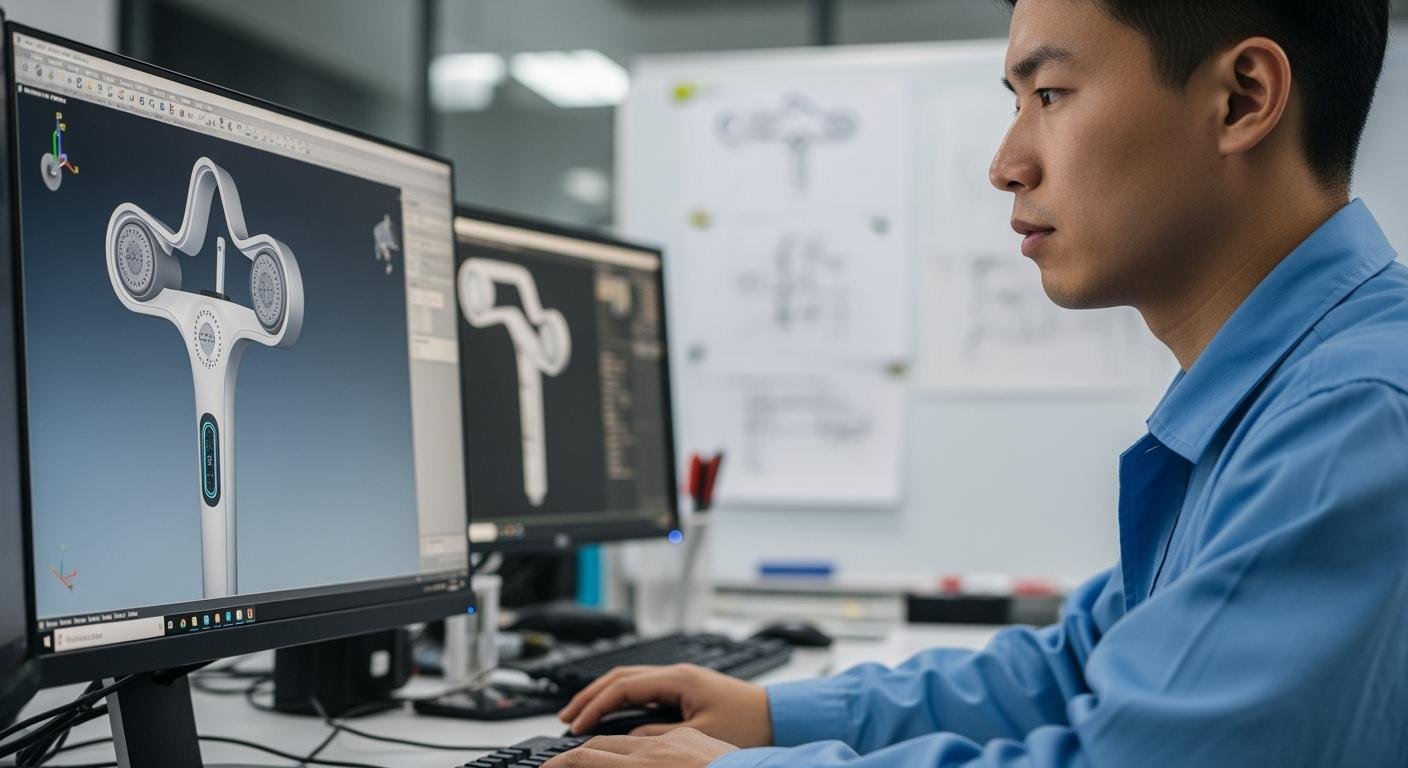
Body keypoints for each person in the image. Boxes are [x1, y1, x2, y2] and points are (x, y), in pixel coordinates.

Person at [544, 0, 1408, 765]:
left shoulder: (1351, 417)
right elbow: (1080, 666)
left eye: (1051, 95)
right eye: (1014, 102)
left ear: (1242, 98)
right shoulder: (1279, 395)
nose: (1005, 163)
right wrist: (771, 713)